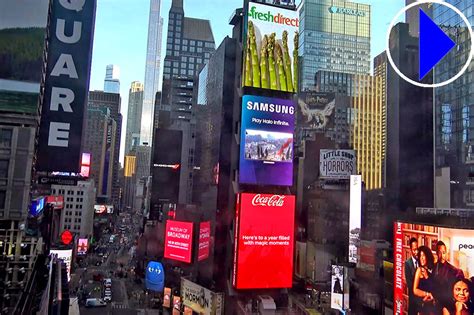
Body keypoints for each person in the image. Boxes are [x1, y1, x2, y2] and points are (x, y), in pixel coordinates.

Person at [433, 241, 465, 310]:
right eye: (439, 252)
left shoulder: (453, 270)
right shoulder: (434, 267)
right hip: (435, 305)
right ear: (436, 253)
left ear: (446, 253)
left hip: (447, 306)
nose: (442, 255)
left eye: (443, 252)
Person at [413, 246, 437, 315]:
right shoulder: (419, 270)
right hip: (423, 305)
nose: (421, 258)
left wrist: (427, 277)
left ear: (428, 256)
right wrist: (427, 294)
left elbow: (434, 287)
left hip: (433, 305)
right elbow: (415, 290)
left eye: (423, 255)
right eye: (420, 256)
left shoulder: (433, 269)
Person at [405, 237, 421, 315]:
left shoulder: (422, 261)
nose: (416, 252)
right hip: (413, 301)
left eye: (417, 249)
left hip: (422, 301)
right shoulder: (407, 264)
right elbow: (410, 285)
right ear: (410, 249)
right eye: (414, 250)